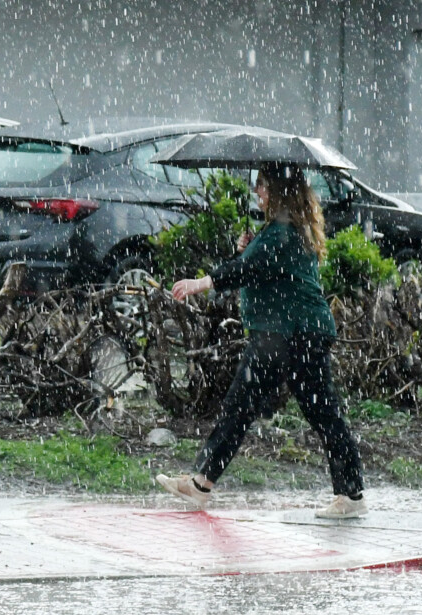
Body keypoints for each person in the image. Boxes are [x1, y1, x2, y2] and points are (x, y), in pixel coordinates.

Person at [155, 163, 367, 518]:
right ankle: (201, 484)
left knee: (320, 412)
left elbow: (246, 270)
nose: (257, 192)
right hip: (281, 335)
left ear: (279, 190)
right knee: (242, 407)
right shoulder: (282, 230)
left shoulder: (282, 233)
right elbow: (257, 267)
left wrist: (201, 283)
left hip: (296, 336)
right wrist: (248, 249)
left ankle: (351, 496)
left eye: (263, 185)